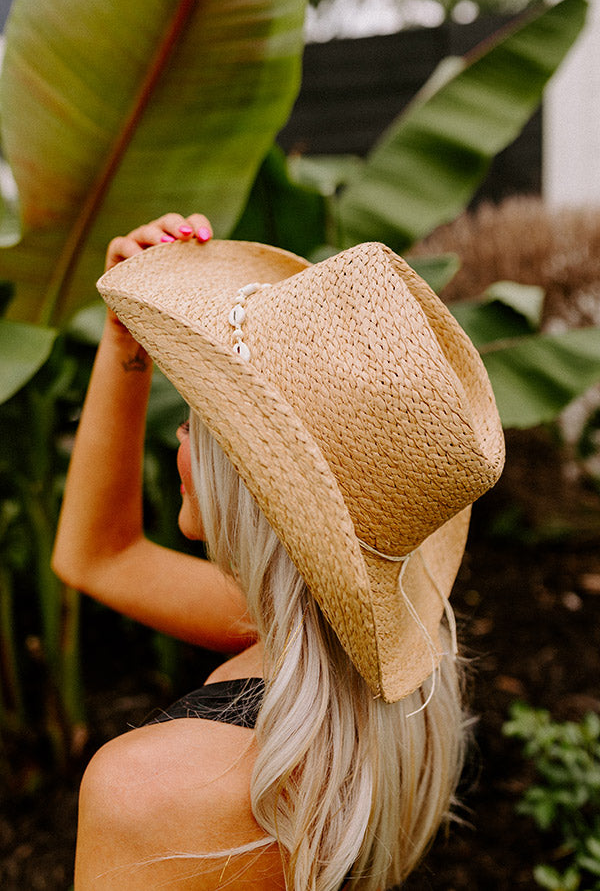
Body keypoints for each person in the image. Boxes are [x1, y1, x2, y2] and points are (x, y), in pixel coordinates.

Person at [52, 213, 505, 891]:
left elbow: (97, 559)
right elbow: (99, 557)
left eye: (199, 420)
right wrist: (127, 340)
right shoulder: (399, 671)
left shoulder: (144, 793)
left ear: (247, 481)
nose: (178, 436)